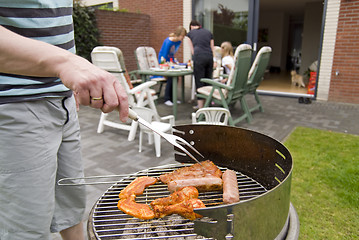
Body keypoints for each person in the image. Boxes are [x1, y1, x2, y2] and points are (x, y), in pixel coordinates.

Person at [0, 1, 128, 240]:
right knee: (26, 229)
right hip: (14, 105)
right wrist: (64, 63)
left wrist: (68, 77)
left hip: (63, 99)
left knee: (72, 205)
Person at [187, 20, 214, 109]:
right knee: (208, 81)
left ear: (192, 27)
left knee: (199, 82)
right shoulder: (208, 32)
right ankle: (207, 104)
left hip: (199, 57)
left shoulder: (190, 34)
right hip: (209, 57)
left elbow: (192, 50)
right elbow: (212, 48)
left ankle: (201, 107)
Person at [158, 26, 187, 106]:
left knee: (175, 78)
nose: (183, 38)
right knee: (171, 78)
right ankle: (167, 99)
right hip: (163, 61)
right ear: (178, 34)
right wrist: (165, 64)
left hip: (170, 61)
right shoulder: (168, 42)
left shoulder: (178, 42)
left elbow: (172, 54)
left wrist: (174, 61)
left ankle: (173, 98)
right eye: (183, 36)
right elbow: (164, 55)